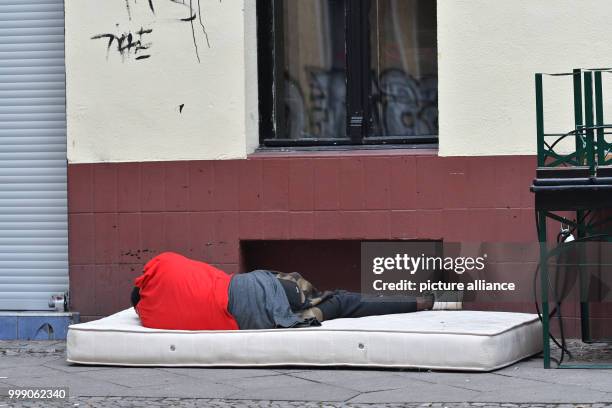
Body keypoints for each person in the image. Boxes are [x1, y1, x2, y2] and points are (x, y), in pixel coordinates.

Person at [131, 252, 455, 331]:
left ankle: (422, 302)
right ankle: (424, 301)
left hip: (255, 317)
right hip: (258, 286)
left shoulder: (151, 318)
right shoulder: (161, 266)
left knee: (337, 302)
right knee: (332, 296)